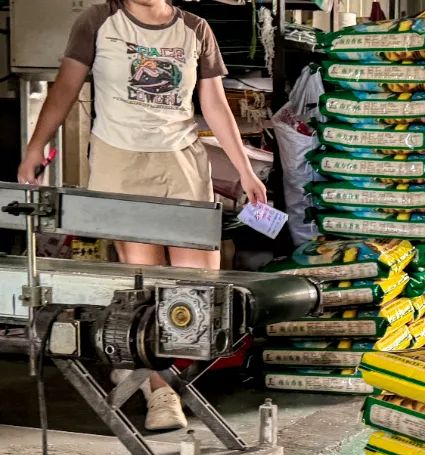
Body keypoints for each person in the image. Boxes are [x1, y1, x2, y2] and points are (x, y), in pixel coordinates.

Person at [17, 0, 268, 431]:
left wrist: (244, 170)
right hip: (120, 160)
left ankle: (144, 368)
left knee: (198, 288)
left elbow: (213, 102)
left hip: (181, 160)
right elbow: (66, 87)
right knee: (143, 285)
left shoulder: (195, 28)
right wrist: (36, 145)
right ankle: (159, 391)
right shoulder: (99, 20)